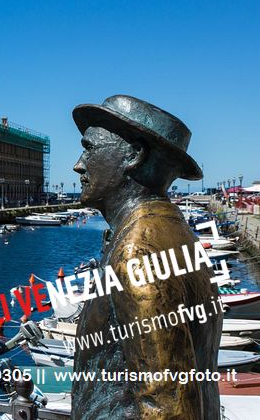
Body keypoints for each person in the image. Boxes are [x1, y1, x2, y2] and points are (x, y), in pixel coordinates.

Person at [70, 95, 218, 419]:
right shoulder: (177, 232)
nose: (79, 164)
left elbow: (167, 408)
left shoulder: (137, 254)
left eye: (90, 148)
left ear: (134, 156)